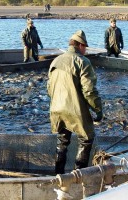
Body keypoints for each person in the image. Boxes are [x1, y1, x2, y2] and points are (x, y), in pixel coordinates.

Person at [47, 30, 103, 174]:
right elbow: (89, 91)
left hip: (56, 109)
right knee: (86, 139)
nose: (86, 50)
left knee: (62, 142)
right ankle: (79, 175)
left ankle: (58, 175)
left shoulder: (56, 60)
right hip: (74, 109)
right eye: (85, 46)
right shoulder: (82, 61)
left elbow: (49, 88)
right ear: (79, 45)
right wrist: (98, 110)